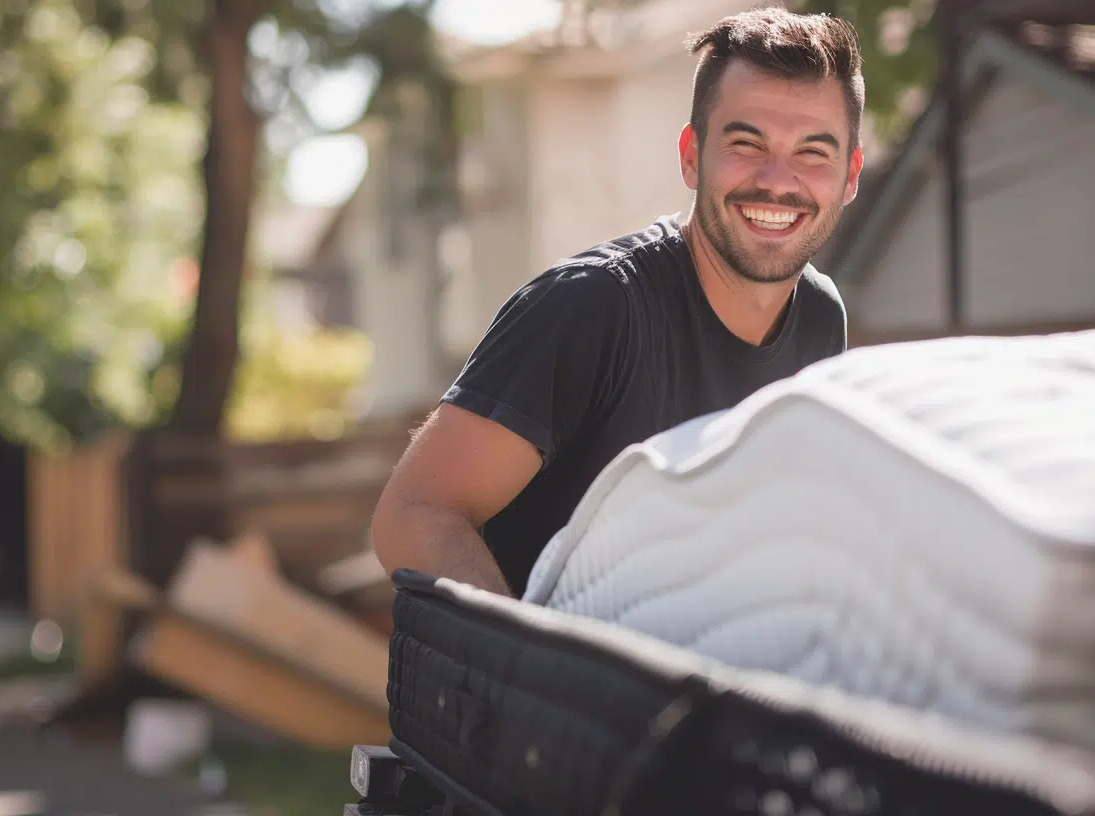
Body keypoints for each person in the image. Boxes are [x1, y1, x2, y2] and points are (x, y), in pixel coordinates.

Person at [370, 7, 865, 598]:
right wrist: (533, 667)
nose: (778, 180)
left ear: (851, 174)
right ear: (691, 155)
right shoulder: (593, 307)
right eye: (746, 142)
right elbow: (414, 512)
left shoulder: (818, 319)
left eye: (814, 152)